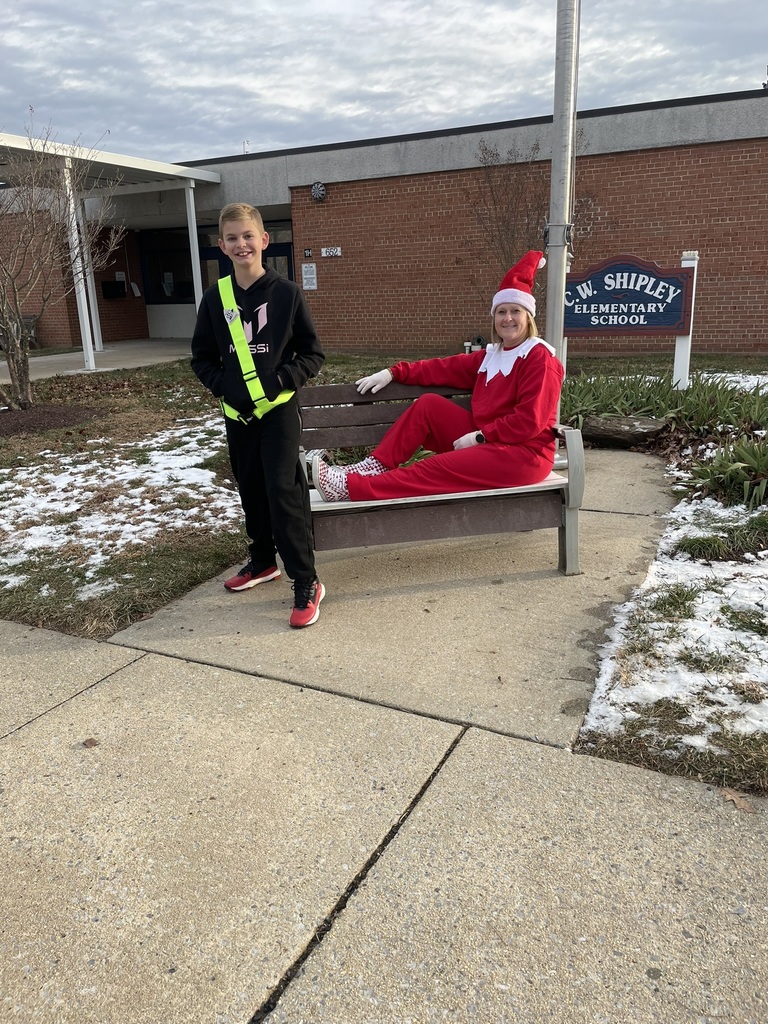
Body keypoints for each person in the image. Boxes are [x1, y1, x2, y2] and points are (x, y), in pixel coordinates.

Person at [312, 250, 564, 503]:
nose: (507, 318)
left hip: (523, 455)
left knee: (435, 468)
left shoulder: (539, 357)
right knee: (428, 405)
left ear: (528, 316)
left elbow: (529, 421)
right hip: (490, 441)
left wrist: (479, 437)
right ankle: (373, 466)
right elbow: (442, 368)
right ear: (493, 317)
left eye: (515, 311)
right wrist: (393, 372)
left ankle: (351, 488)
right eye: (501, 311)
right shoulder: (490, 356)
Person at [191, 202, 326, 628]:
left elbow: (312, 354)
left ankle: (306, 580)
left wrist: (280, 380)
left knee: (283, 492)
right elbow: (202, 358)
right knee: (250, 488)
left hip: (279, 411)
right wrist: (223, 385)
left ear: (264, 240)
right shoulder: (215, 298)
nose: (241, 244)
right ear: (221, 246)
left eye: (248, 236)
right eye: (232, 238)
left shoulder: (286, 294)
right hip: (238, 413)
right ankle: (263, 562)